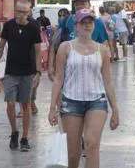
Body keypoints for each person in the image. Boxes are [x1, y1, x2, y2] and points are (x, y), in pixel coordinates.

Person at [49, 9, 119, 168]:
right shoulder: (65, 48)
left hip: (97, 102)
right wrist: (52, 106)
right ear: (76, 26)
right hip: (71, 102)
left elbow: (108, 81)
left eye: (90, 22)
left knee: (92, 145)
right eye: (84, 22)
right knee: (73, 154)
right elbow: (59, 78)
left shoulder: (102, 50)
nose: (87, 26)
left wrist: (115, 109)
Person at [0, 0, 42, 152]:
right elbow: (1, 47)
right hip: (11, 71)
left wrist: (38, 72)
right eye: (19, 11)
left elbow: (38, 51)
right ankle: (14, 131)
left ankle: (25, 137)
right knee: (10, 103)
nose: (21, 15)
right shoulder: (9, 26)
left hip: (28, 72)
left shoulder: (34, 27)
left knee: (25, 104)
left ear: (29, 12)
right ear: (15, 11)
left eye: (24, 12)